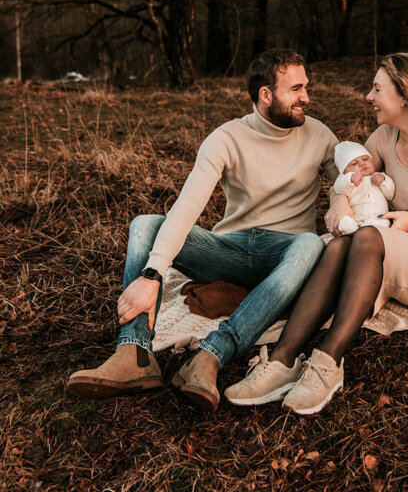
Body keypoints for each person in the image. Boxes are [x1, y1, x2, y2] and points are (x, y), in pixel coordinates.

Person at [67, 48, 338, 412]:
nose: (306, 97)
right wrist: (152, 273)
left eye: (305, 87)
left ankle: (212, 355)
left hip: (287, 258)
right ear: (266, 95)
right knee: (145, 224)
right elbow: (187, 207)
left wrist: (345, 199)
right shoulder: (225, 138)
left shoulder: (319, 134)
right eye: (297, 89)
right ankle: (135, 353)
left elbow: (350, 184)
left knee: (310, 243)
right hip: (228, 251)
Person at [225, 52, 408, 415]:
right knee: (339, 246)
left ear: (405, 95)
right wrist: (339, 203)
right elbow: (350, 177)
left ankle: (327, 363)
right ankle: (283, 359)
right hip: (397, 242)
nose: (368, 97)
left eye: (377, 89)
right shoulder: (385, 137)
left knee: (365, 238)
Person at [331, 140, 396, 234]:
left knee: (381, 222)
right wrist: (349, 179)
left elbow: (390, 194)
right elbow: (338, 189)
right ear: (344, 171)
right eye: (354, 163)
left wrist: (384, 181)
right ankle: (350, 229)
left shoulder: (379, 176)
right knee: (346, 222)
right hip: (355, 219)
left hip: (377, 217)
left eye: (365, 159)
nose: (362, 164)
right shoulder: (346, 181)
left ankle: (371, 227)